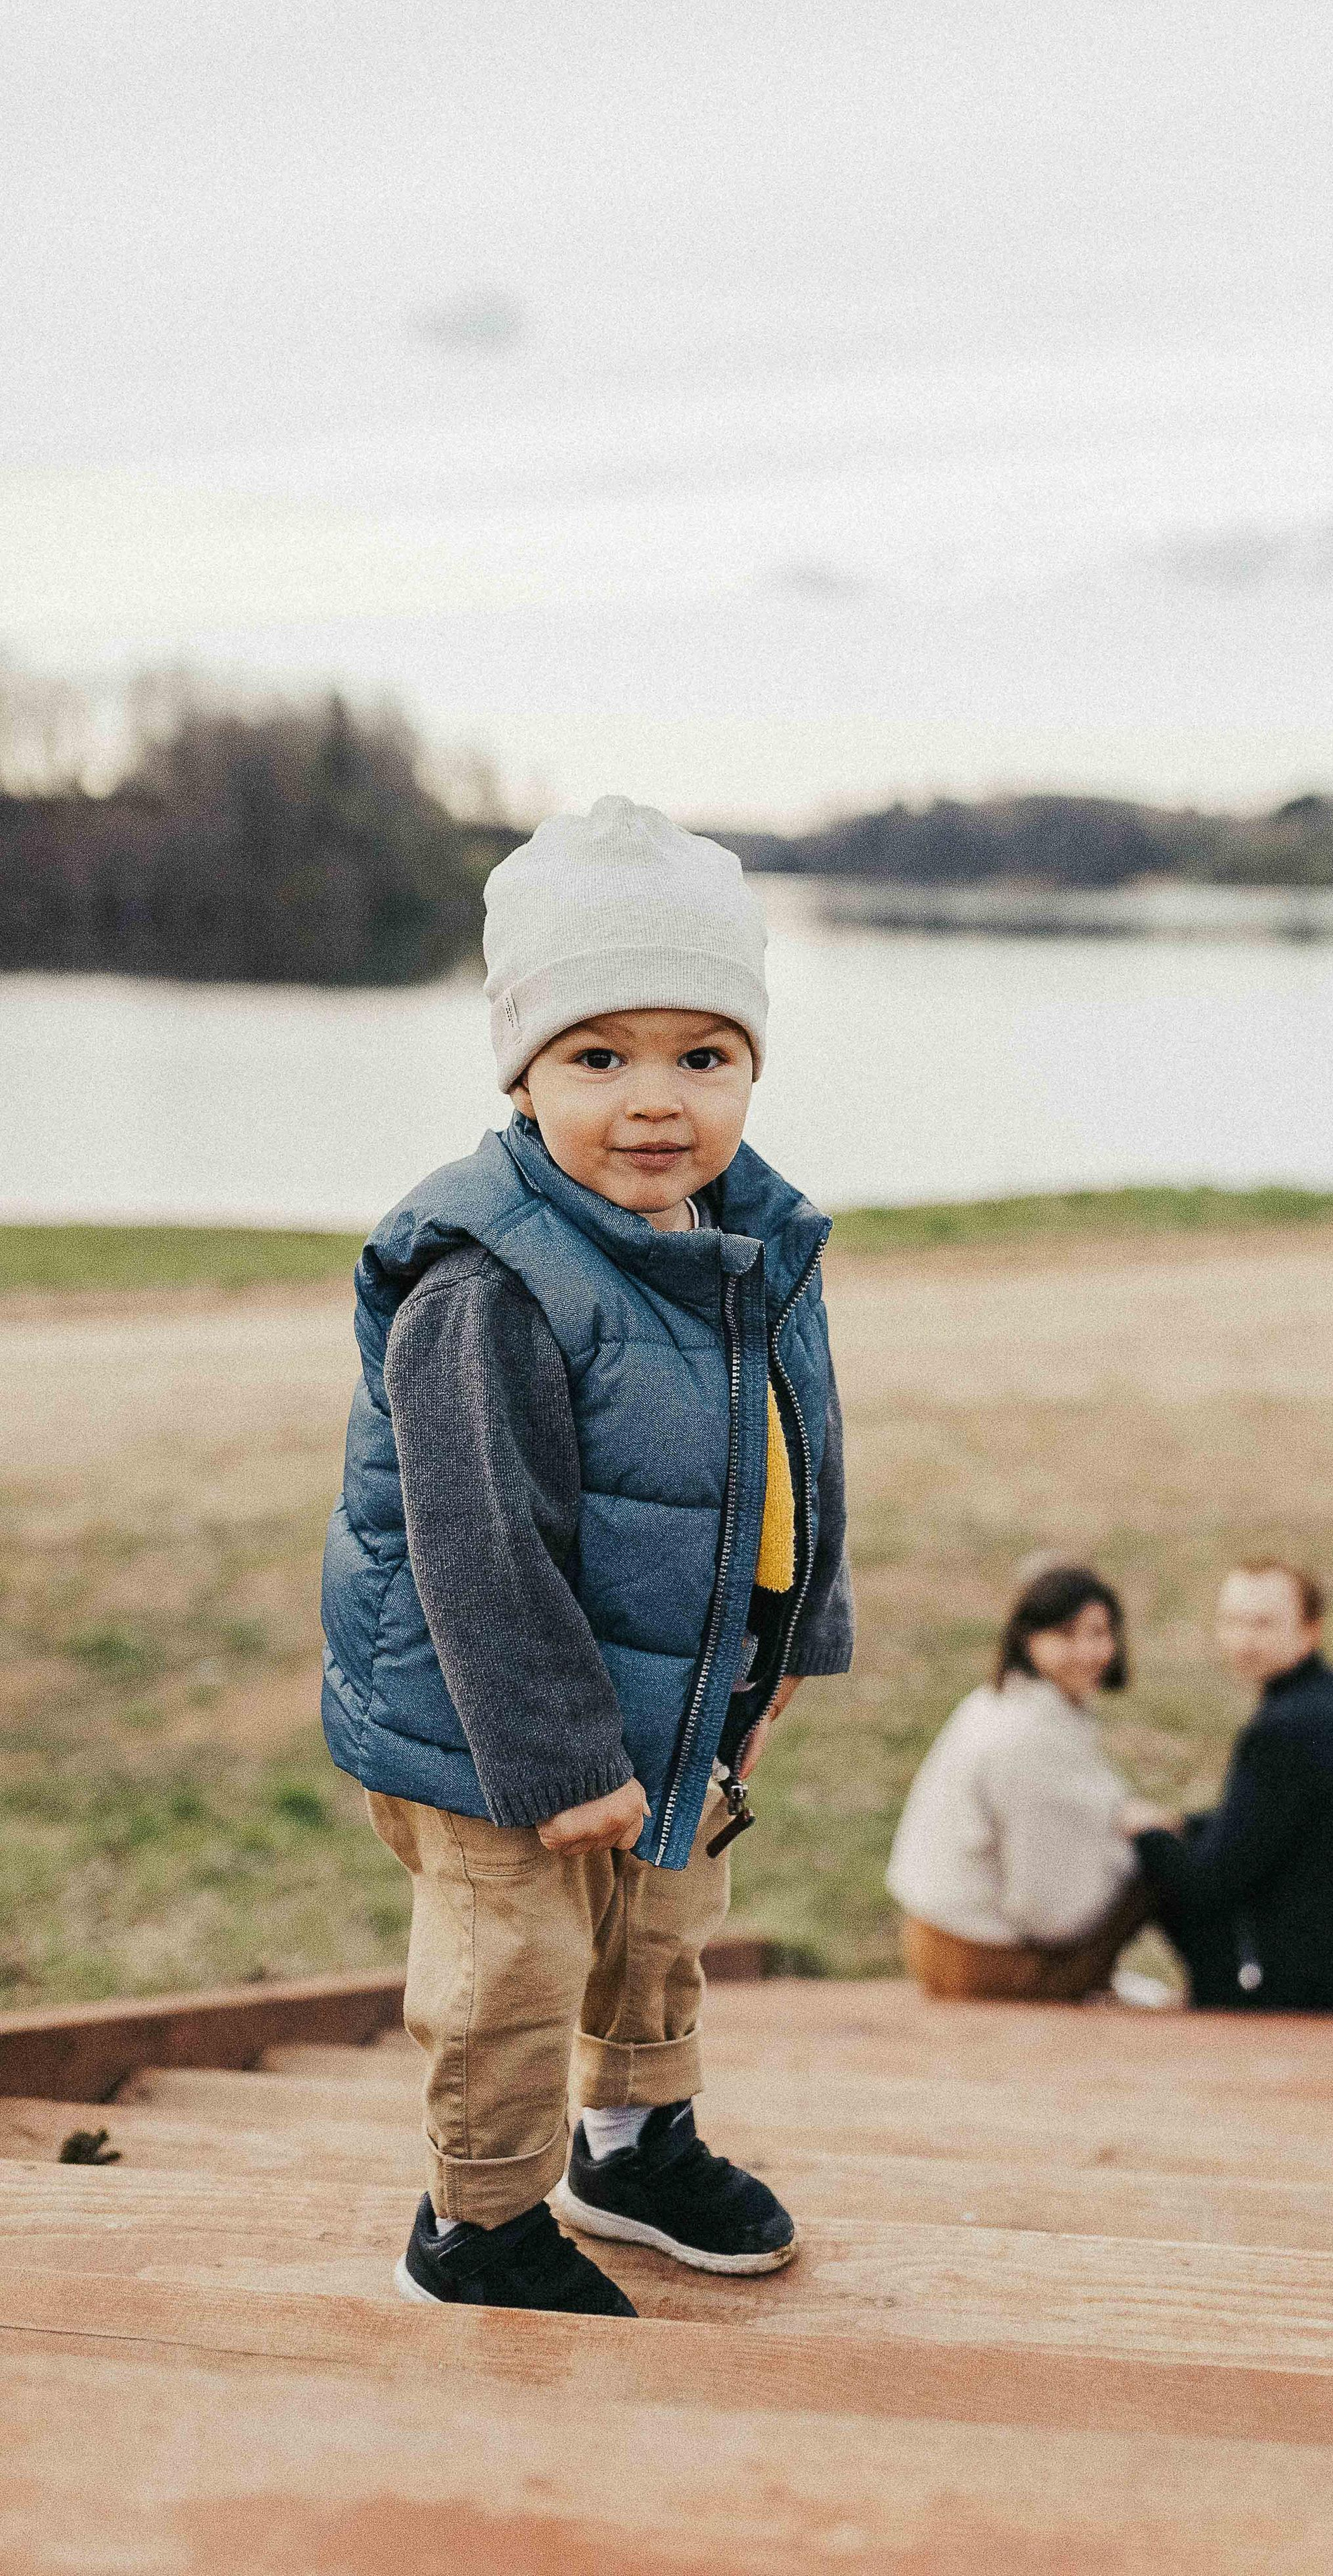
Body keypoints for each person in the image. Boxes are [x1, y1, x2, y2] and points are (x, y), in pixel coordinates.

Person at [320, 797, 852, 2315]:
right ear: (523, 1071)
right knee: (512, 1972)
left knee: (662, 1930)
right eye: (598, 1056)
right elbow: (474, 1548)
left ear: (751, 1062)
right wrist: (555, 1759)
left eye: (702, 1055)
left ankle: (630, 2144)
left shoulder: (749, 1238)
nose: (653, 1102)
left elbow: (791, 1453)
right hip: (497, 1727)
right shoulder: (485, 1277)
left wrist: (794, 1638)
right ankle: (475, 2223)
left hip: (676, 1685)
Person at [1119, 1561, 1333, 2013]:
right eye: (1234, 1622)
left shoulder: (1286, 1728)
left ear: (1311, 1630)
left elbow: (1210, 1883)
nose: (1245, 1639)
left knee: (1158, 1866)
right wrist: (1185, 1824)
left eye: (1263, 1624)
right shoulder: (1325, 1701)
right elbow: (1263, 1828)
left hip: (1324, 1988)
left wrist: (1147, 1837)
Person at [887, 1564, 1149, 2001]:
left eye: (1100, 1633)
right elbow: (1044, 1912)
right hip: (981, 1959)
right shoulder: (1028, 1736)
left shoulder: (999, 1701)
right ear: (1029, 1639)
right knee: (1159, 1861)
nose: (1089, 1651)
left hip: (937, 1940)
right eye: (1067, 1635)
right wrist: (1135, 1849)